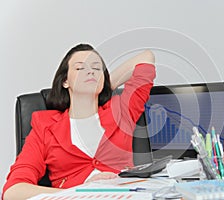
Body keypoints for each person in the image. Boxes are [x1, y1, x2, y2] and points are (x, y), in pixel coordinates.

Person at [2, 44, 156, 199]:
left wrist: (105, 85)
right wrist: (81, 193)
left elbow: (146, 57)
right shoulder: (45, 127)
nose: (90, 71)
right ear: (65, 81)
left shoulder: (122, 110)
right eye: (80, 68)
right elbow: (13, 192)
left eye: (97, 68)